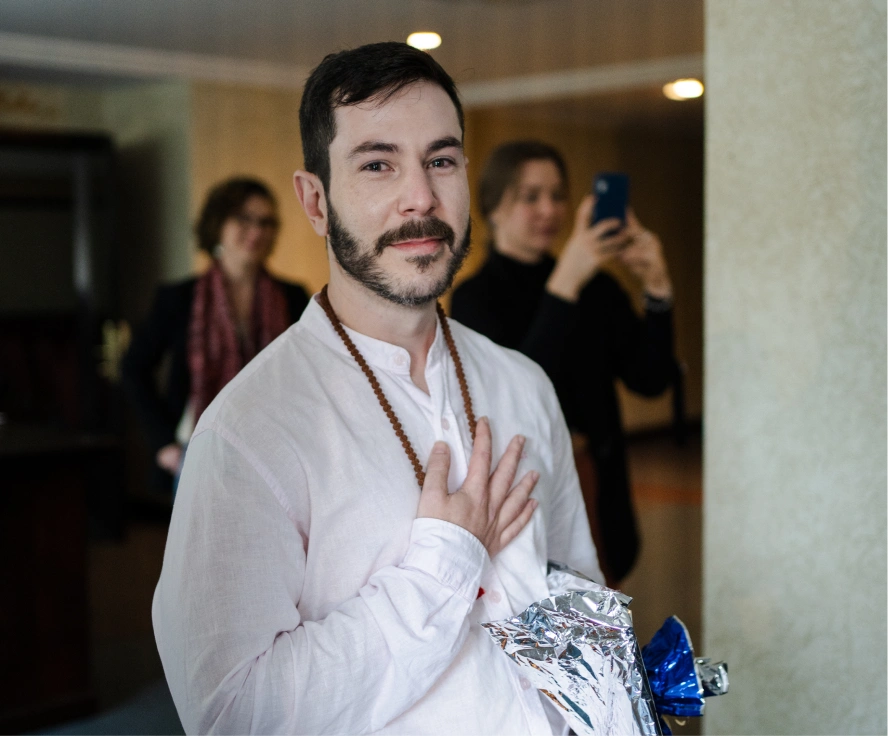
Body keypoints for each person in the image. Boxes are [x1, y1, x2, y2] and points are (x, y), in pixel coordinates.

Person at [153, 43, 603, 736]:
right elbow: (234, 714)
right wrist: (445, 561)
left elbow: (578, 598)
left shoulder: (523, 384)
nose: (421, 196)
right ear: (315, 201)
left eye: (441, 160)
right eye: (377, 164)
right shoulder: (246, 433)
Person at [451, 141, 678, 585]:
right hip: (526, 492)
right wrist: (566, 281)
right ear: (494, 208)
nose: (549, 210)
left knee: (602, 606)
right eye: (530, 196)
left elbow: (650, 380)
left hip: (600, 482)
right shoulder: (475, 298)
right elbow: (514, 396)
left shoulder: (597, 289)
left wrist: (657, 287)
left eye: (557, 195)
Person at [122, 177, 310, 492]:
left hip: (278, 453)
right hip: (198, 453)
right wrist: (164, 445)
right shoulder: (179, 299)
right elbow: (133, 368)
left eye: (266, 222)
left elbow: (310, 374)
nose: (256, 231)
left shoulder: (293, 297)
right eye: (244, 219)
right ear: (217, 223)